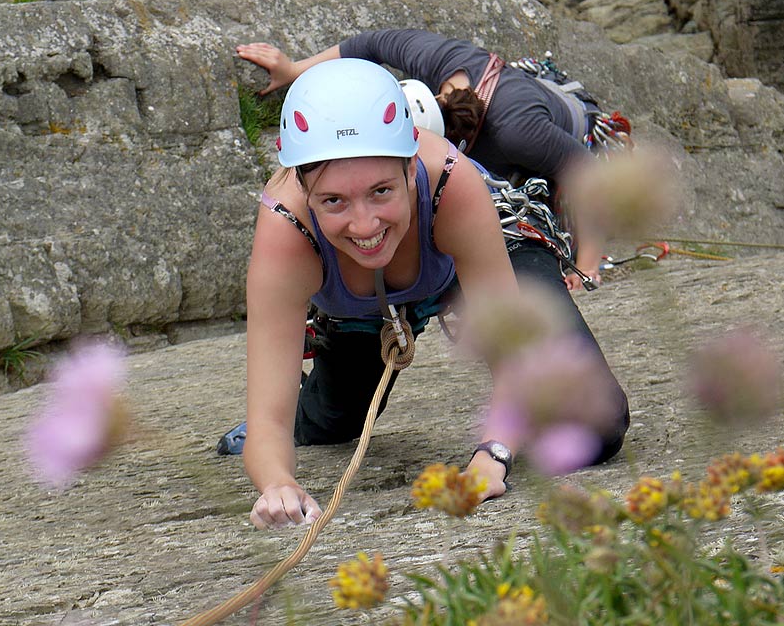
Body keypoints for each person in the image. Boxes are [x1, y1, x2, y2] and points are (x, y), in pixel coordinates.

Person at [229, 58, 622, 530]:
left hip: (477, 253)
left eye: (381, 191)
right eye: (333, 201)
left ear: (411, 164)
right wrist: (276, 483)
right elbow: (269, 420)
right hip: (357, 306)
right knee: (332, 425)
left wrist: (494, 452)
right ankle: (306, 404)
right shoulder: (286, 228)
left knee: (595, 422)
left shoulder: (450, 182)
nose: (364, 224)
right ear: (302, 187)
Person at [236, 29, 611, 291]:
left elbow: (587, 175)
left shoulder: (517, 133)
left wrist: (588, 263)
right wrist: (293, 71)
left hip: (568, 126)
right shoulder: (440, 61)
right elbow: (370, 44)